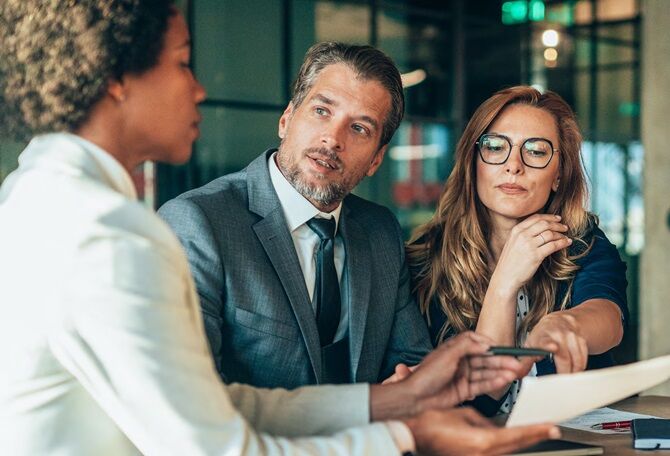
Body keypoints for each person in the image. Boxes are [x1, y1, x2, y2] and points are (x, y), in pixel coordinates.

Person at [0, 2, 558, 454]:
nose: (197, 89)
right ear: (119, 76)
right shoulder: (111, 232)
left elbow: (215, 404)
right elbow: (219, 447)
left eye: (359, 127)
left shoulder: (41, 195)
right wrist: (403, 435)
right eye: (182, 62)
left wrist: (399, 399)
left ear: (376, 157)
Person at [159, 42, 433, 389]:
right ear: (286, 119)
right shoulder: (198, 223)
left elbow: (413, 362)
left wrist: (412, 386)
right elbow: (196, 396)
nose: (332, 139)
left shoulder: (380, 231)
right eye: (321, 111)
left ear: (377, 160)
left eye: (359, 128)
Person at [407, 86, 628, 415]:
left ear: (558, 175)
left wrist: (565, 325)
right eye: (495, 147)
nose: (513, 166)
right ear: (474, 163)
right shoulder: (425, 260)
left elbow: (609, 319)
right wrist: (505, 282)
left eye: (536, 151)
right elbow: (483, 394)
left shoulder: (582, 242)